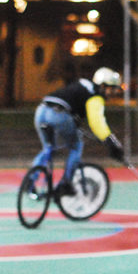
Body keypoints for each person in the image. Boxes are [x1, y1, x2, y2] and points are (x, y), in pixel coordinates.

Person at [31, 67, 125, 196]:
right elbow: (96, 121)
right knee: (76, 145)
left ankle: (30, 181)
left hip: (41, 111)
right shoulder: (95, 94)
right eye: (112, 89)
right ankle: (66, 184)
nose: (112, 93)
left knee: (48, 148)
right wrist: (110, 140)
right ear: (103, 86)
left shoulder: (82, 84)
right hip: (59, 115)